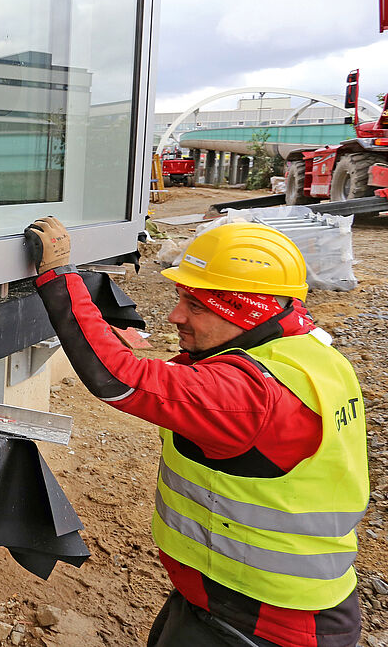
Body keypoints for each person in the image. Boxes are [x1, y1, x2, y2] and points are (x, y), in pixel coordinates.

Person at [24, 217, 368, 647]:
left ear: (247, 311)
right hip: (244, 598)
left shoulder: (251, 397)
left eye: (199, 306)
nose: (175, 315)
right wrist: (107, 335)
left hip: (262, 624)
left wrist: (59, 277)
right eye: (181, 297)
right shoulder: (306, 355)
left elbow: (121, 380)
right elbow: (192, 380)